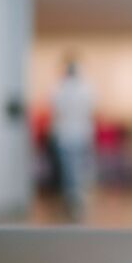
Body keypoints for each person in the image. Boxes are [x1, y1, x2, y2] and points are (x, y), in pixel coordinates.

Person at [51, 54, 96, 220]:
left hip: (75, 134)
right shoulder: (63, 88)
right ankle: (72, 197)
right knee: (70, 169)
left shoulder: (78, 88)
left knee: (75, 169)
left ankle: (75, 197)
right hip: (68, 134)